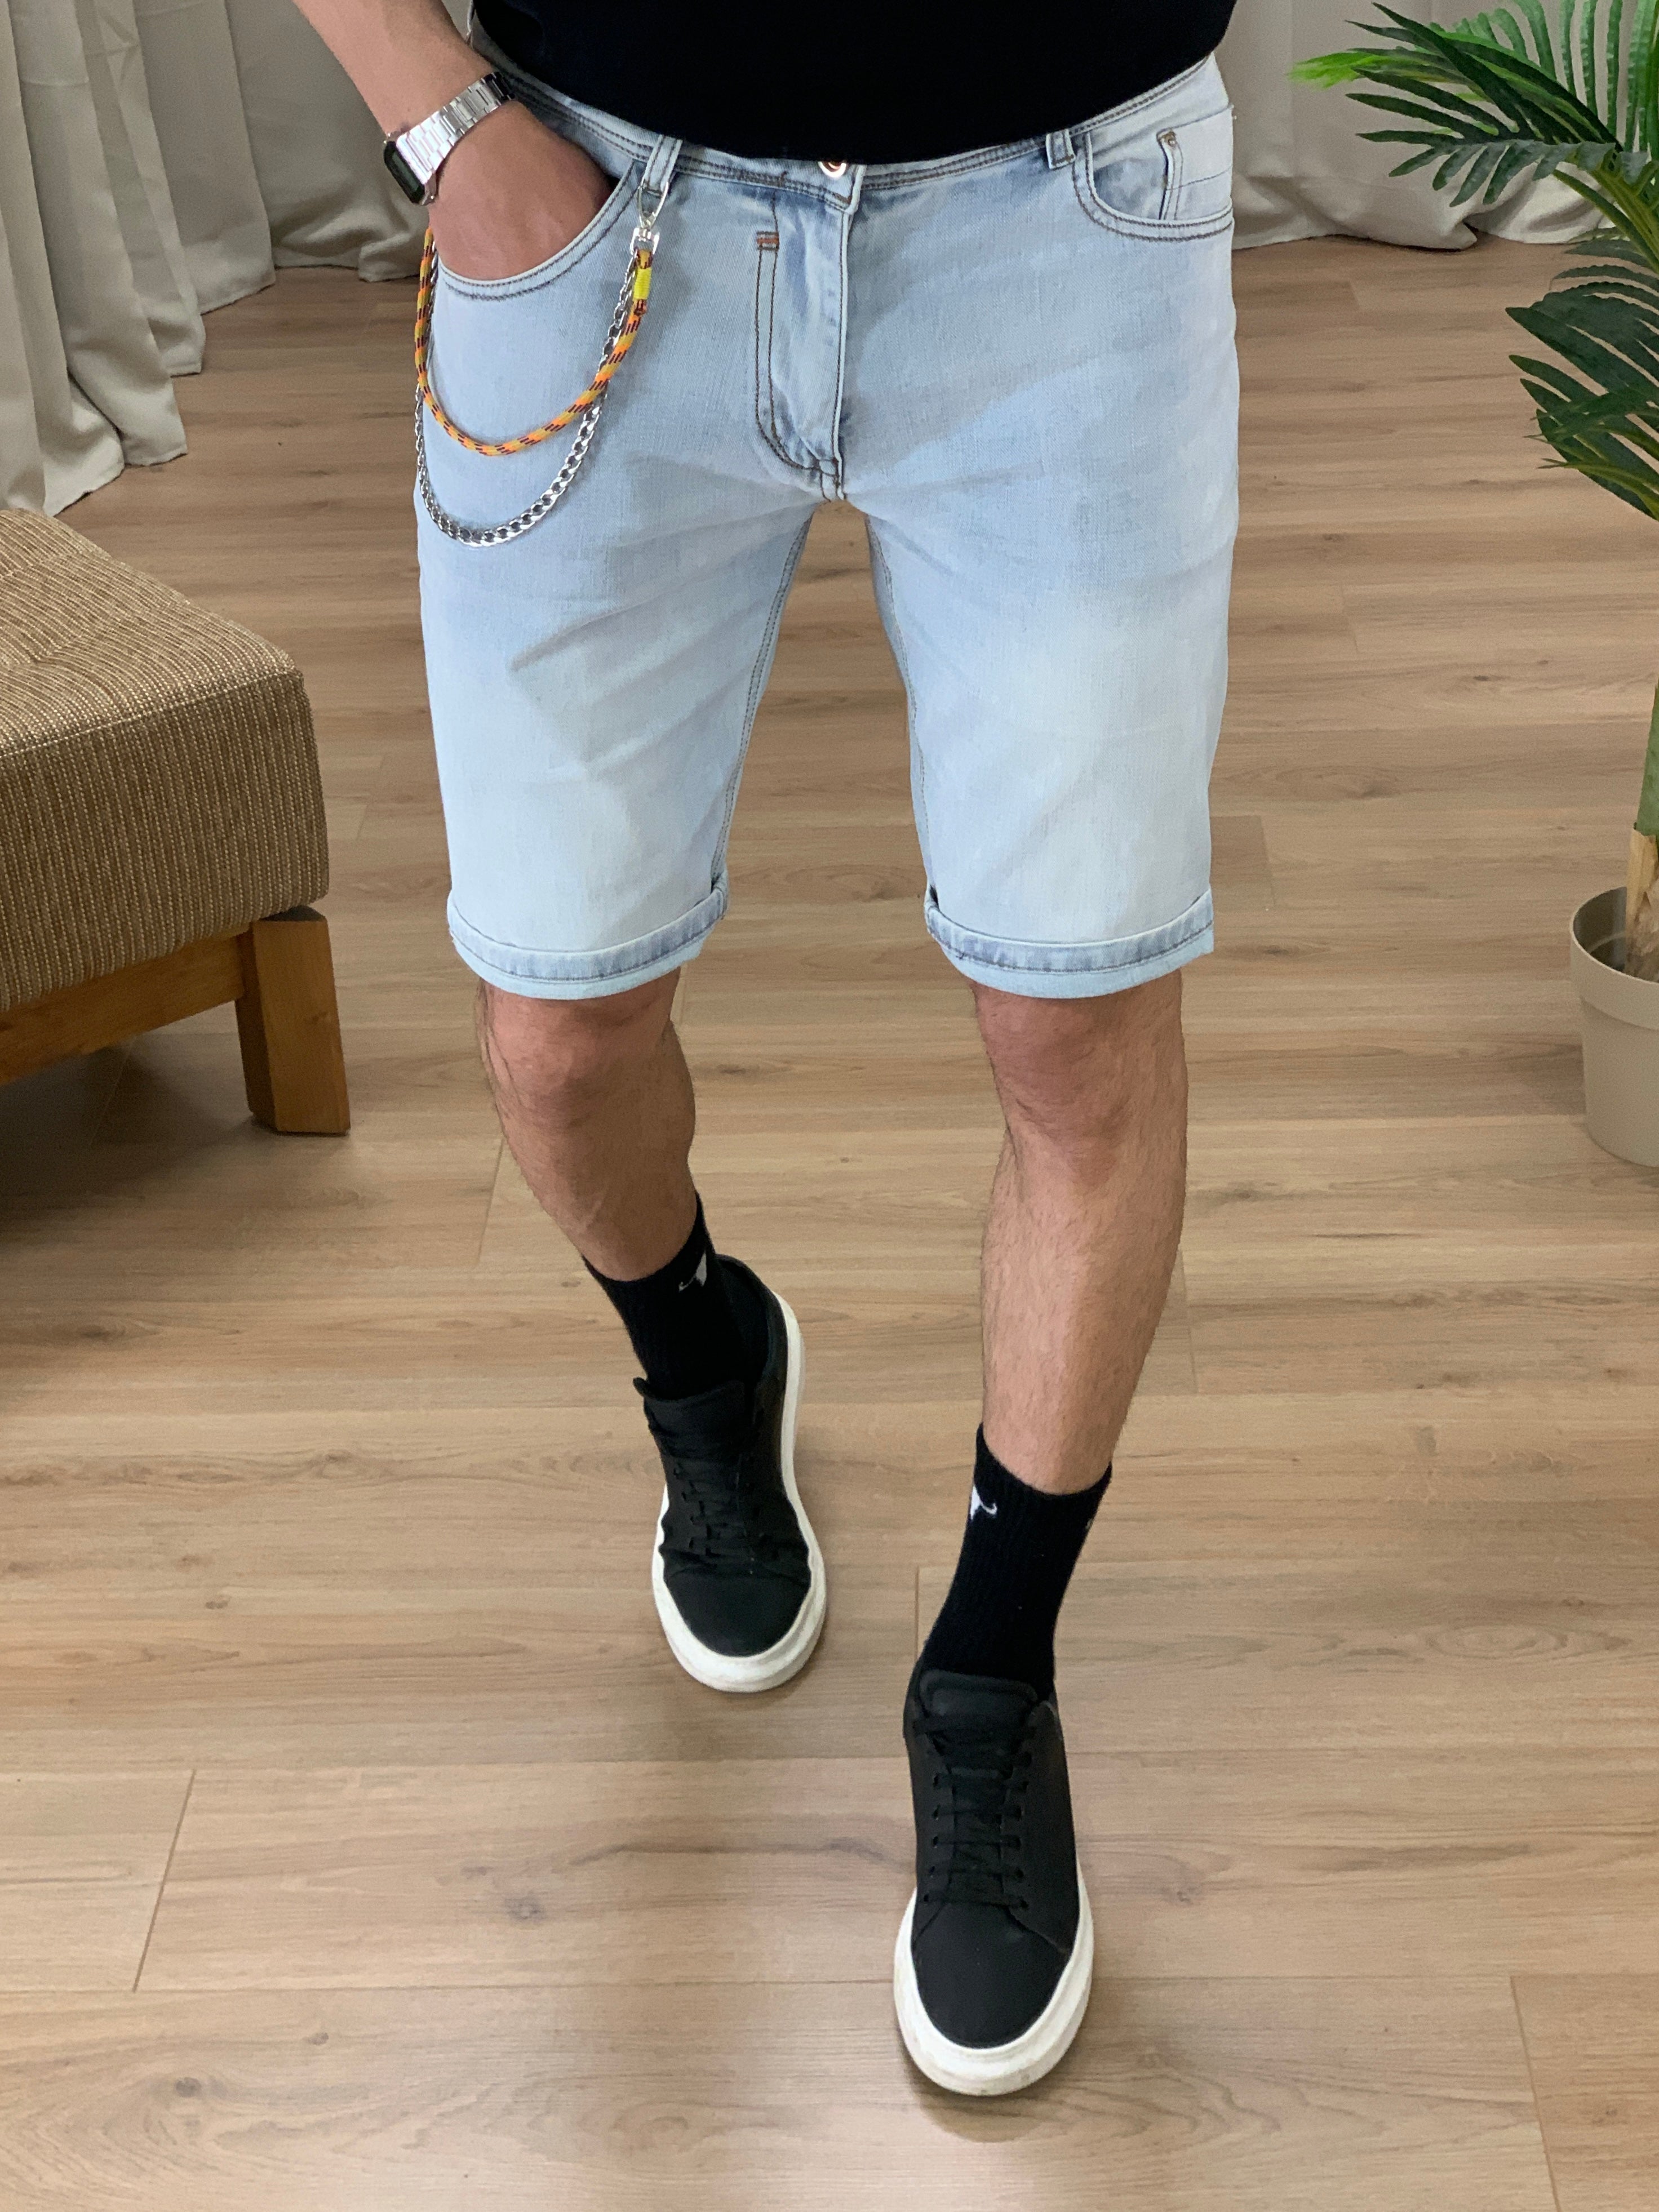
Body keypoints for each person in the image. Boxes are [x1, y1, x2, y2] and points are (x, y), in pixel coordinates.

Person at [296, 0, 1240, 2097]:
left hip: (1071, 216)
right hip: (587, 196)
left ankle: (990, 1680)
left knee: (1076, 1023)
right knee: (555, 1033)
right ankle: (705, 1364)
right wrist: (446, 135)